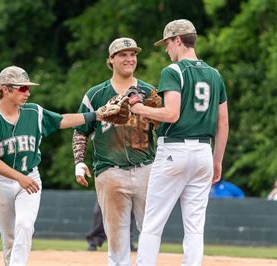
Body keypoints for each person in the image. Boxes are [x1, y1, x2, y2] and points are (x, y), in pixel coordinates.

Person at [0, 65, 97, 266]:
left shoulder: (34, 112)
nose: (27, 92)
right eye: (22, 88)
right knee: (9, 238)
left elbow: (62, 120)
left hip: (30, 178)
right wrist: (19, 177)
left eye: (27, 88)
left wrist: (96, 115)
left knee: (24, 224)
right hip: (2, 182)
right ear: (5, 89)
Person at [130, 19, 229, 266]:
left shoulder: (173, 72)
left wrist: (140, 108)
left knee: (153, 222)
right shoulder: (215, 75)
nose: (166, 50)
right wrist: (217, 161)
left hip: (175, 149)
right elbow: (223, 123)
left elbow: (171, 114)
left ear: (177, 40)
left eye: (167, 43)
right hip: (204, 152)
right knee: (195, 225)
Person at [72, 37, 157, 265]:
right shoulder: (96, 94)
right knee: (117, 236)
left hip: (146, 169)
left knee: (150, 231)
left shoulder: (148, 92)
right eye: (122, 54)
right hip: (110, 171)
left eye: (133, 54)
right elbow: (81, 130)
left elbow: (163, 129)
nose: (129, 58)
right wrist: (79, 162)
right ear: (110, 60)